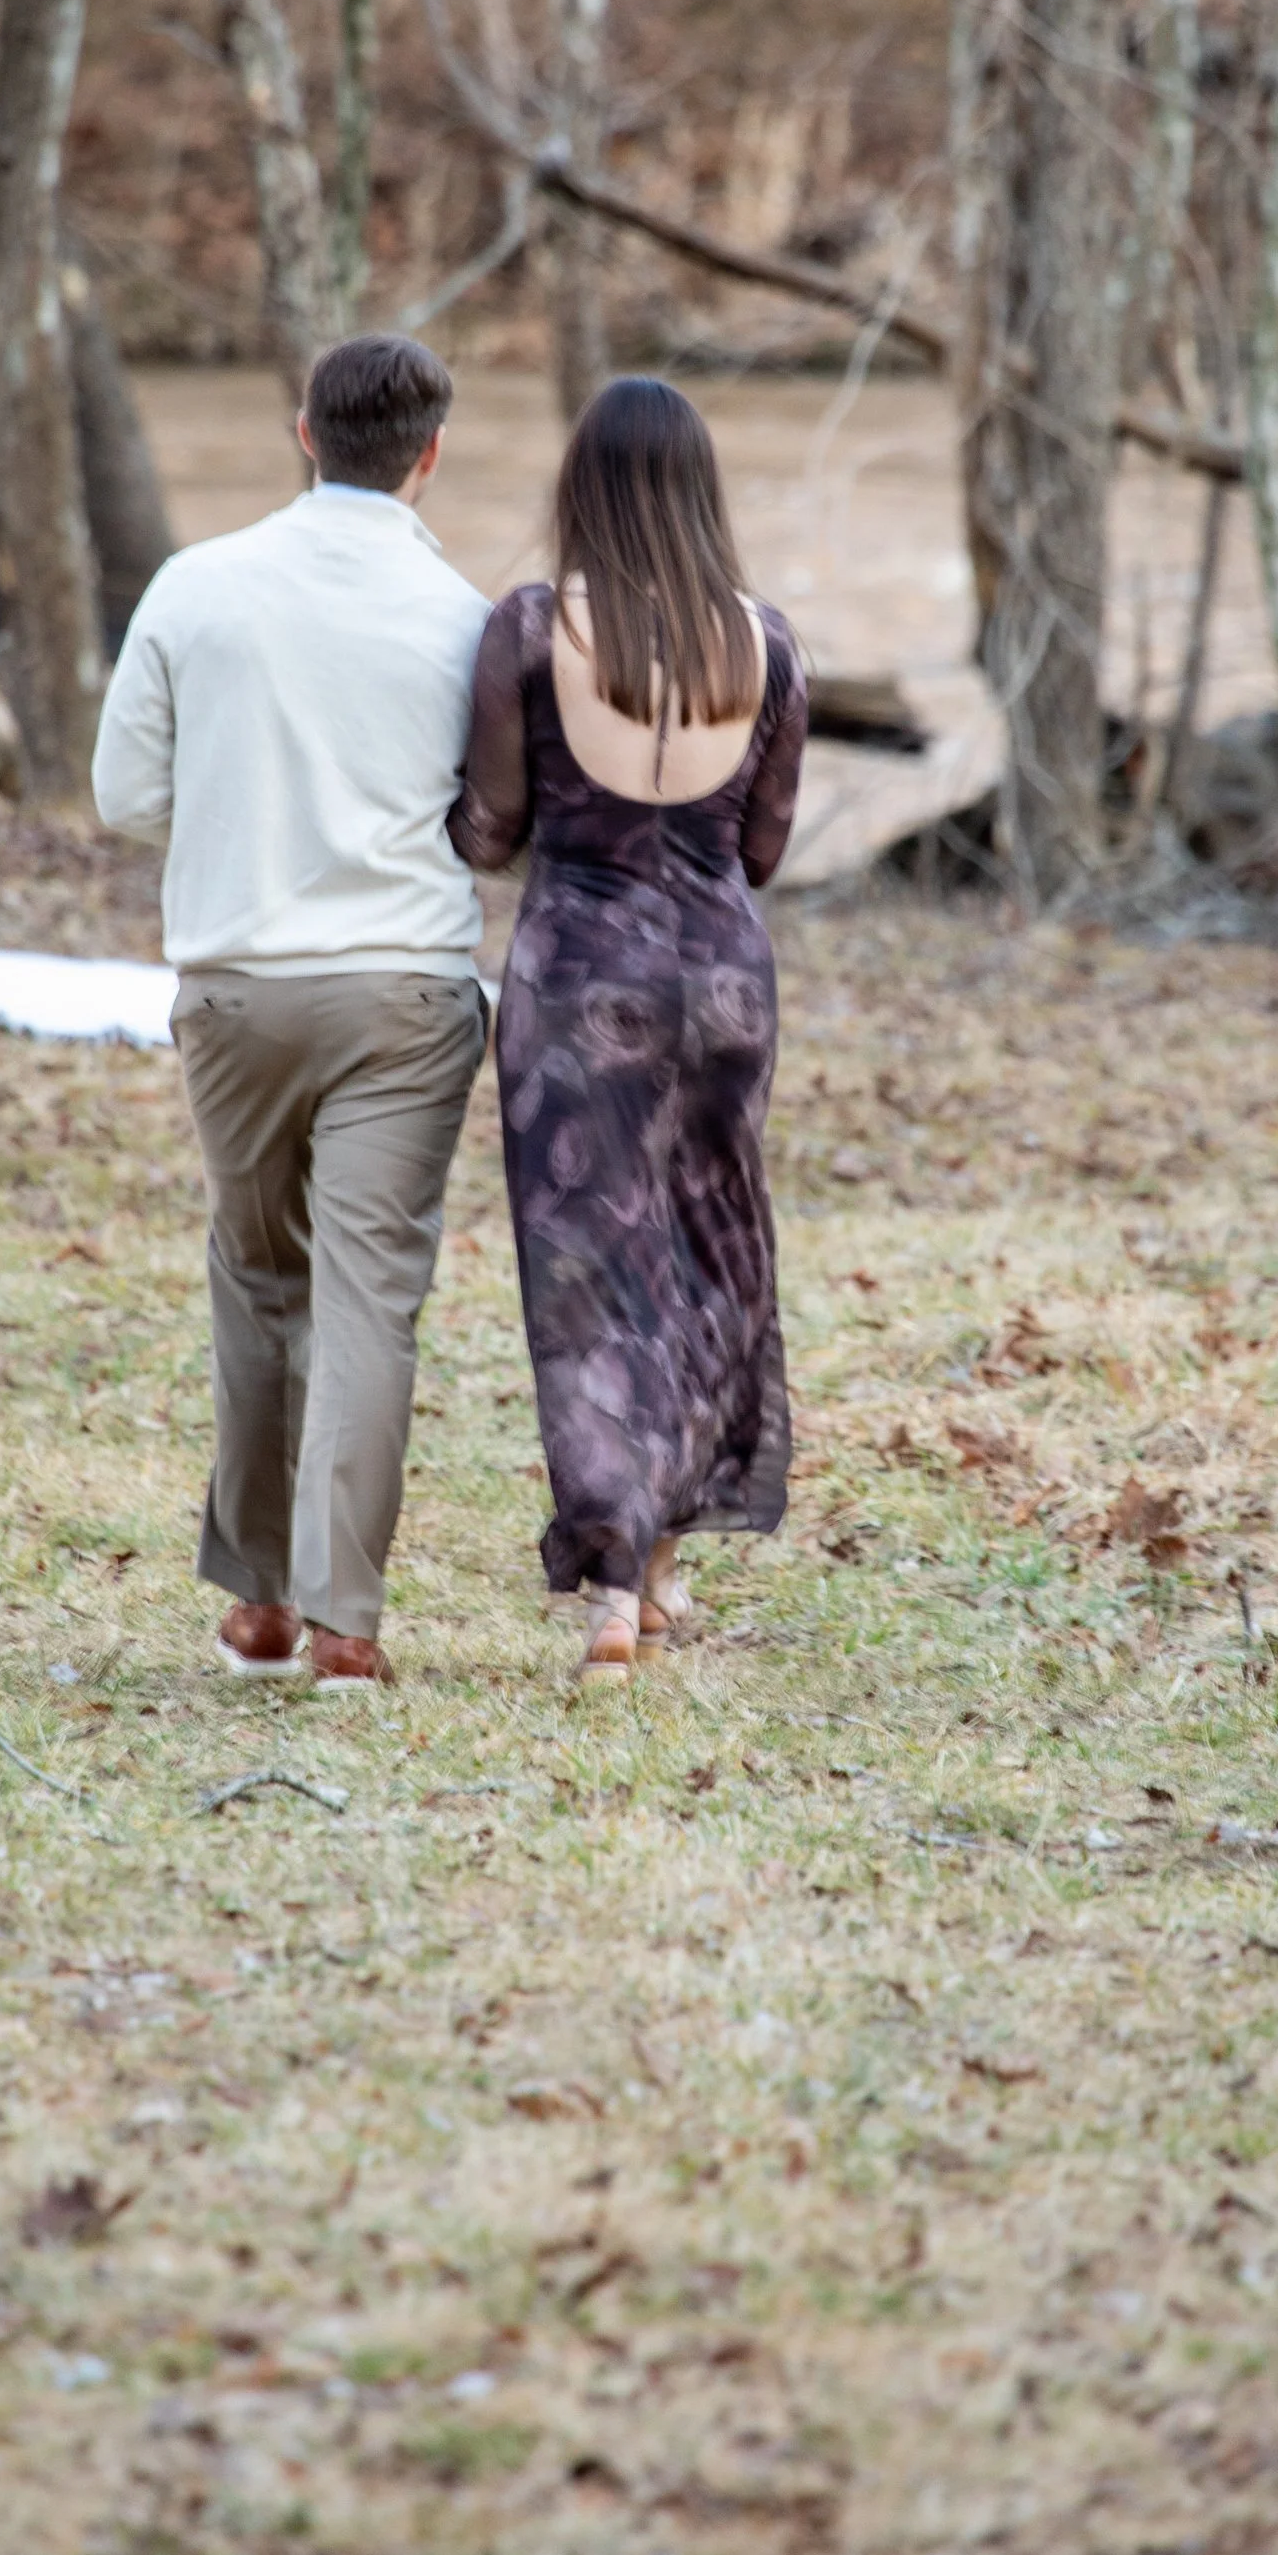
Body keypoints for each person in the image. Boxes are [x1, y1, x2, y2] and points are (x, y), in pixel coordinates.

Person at [92, 335, 489, 1689]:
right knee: (370, 1294)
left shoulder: (196, 588)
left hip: (238, 983)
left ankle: (256, 1603)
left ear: (303, 432)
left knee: (259, 1273)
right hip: (407, 990)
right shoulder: (468, 620)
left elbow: (123, 797)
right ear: (429, 455)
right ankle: (343, 1622)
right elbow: (495, 820)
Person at [448, 377, 807, 1683]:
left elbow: (485, 826)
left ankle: (609, 1583)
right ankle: (660, 1570)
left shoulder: (532, 632)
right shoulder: (766, 645)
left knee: (593, 1275)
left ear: (580, 489)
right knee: (714, 1254)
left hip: (579, 984)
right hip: (720, 984)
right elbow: (761, 847)